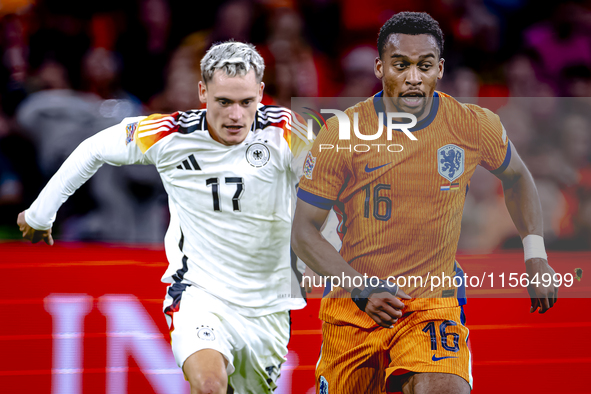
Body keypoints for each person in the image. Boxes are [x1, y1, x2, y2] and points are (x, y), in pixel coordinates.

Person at [17, 41, 310, 394]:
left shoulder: (287, 131)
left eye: (247, 102)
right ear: (203, 92)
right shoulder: (169, 134)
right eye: (224, 102)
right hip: (200, 293)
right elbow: (94, 149)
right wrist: (40, 214)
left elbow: (344, 175)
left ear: (261, 93)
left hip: (268, 306)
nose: (236, 115)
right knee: (210, 385)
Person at [291, 12, 559, 394]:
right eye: (401, 65)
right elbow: (303, 232)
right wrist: (359, 287)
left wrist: (535, 254)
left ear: (440, 69)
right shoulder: (341, 134)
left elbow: (517, 177)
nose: (413, 77)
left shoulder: (471, 124)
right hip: (355, 307)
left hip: (432, 304)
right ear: (380, 67)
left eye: (424, 65)